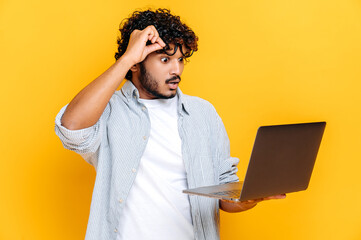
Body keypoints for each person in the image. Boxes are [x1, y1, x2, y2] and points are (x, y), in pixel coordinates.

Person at [55, 8, 285, 240]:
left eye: (180, 60)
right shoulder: (109, 110)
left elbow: (224, 195)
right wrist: (127, 58)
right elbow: (71, 128)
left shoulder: (202, 113)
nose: (176, 70)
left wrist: (250, 198)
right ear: (136, 63)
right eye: (165, 59)